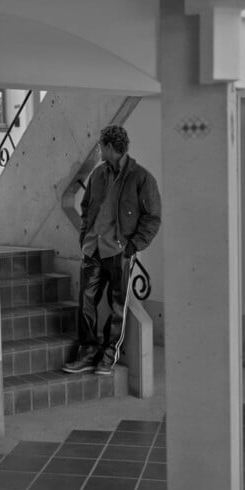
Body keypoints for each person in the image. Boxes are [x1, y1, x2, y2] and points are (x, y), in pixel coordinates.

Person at [62, 124, 161, 376]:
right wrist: (84, 238)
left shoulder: (142, 178)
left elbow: (152, 218)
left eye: (101, 146)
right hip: (93, 250)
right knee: (86, 300)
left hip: (119, 253)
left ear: (108, 146)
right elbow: (86, 209)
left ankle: (108, 356)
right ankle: (87, 352)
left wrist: (132, 246)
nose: (100, 150)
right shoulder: (98, 175)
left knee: (117, 306)